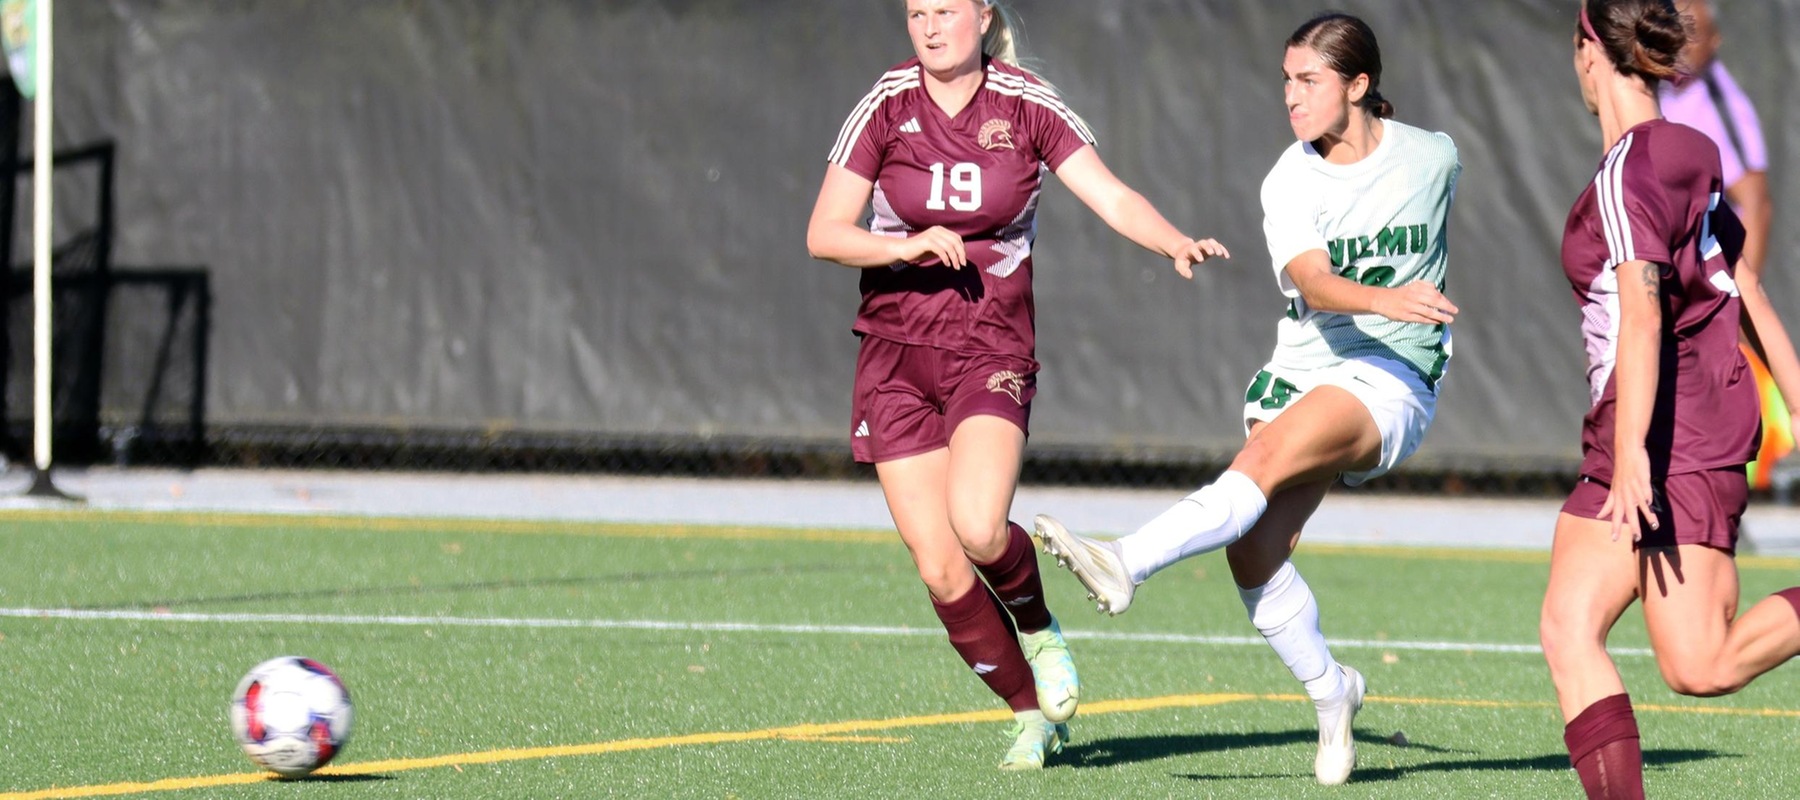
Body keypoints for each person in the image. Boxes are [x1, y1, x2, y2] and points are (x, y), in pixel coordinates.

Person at [1036, 12, 1459, 786]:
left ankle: (1125, 561)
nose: (1291, 97)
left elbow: (1408, 212)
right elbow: (1316, 285)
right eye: (1285, 80)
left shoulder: (1434, 158)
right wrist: (1388, 296)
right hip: (1305, 363)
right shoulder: (1289, 178)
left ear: (1359, 85)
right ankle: (1334, 696)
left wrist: (1402, 316)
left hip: (1392, 379)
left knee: (1261, 460)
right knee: (1253, 550)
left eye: (1310, 81)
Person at [804, 0, 1229, 771]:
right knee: (938, 565)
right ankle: (1031, 715)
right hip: (894, 357)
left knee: (976, 523)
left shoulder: (1026, 103)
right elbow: (824, 232)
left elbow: (1107, 193)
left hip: (989, 346)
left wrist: (1172, 239)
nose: (930, 27)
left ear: (982, 13)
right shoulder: (885, 103)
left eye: (945, 10)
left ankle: (1040, 629)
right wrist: (905, 248)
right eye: (915, 12)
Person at [1539, 2, 1800, 797]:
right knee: (1569, 627)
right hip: (1655, 432)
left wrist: (1628, 461)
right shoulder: (1688, 148)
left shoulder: (1628, 172)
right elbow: (1743, 284)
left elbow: (1646, 315)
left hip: (1666, 442)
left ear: (1591, 49)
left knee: (1702, 665)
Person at [1658, 0, 1791, 490]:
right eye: (1678, 30)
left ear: (1714, 44)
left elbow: (1755, 202)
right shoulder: (1657, 91)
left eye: (1696, 34)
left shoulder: (1718, 102)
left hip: (1708, 284)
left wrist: (1733, 300)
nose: (1685, 44)